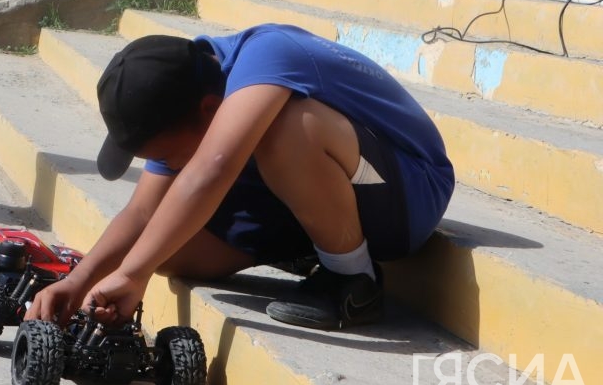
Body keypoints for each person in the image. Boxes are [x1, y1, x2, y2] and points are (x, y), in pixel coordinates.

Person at [26, 25, 454, 330]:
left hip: (409, 191)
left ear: (210, 111)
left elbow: (209, 170)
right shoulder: (184, 92)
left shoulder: (269, 54)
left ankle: (355, 281)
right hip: (342, 187)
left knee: (286, 129)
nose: (168, 166)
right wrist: (80, 280)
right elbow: (142, 211)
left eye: (164, 156)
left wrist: (132, 274)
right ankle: (320, 247)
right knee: (167, 249)